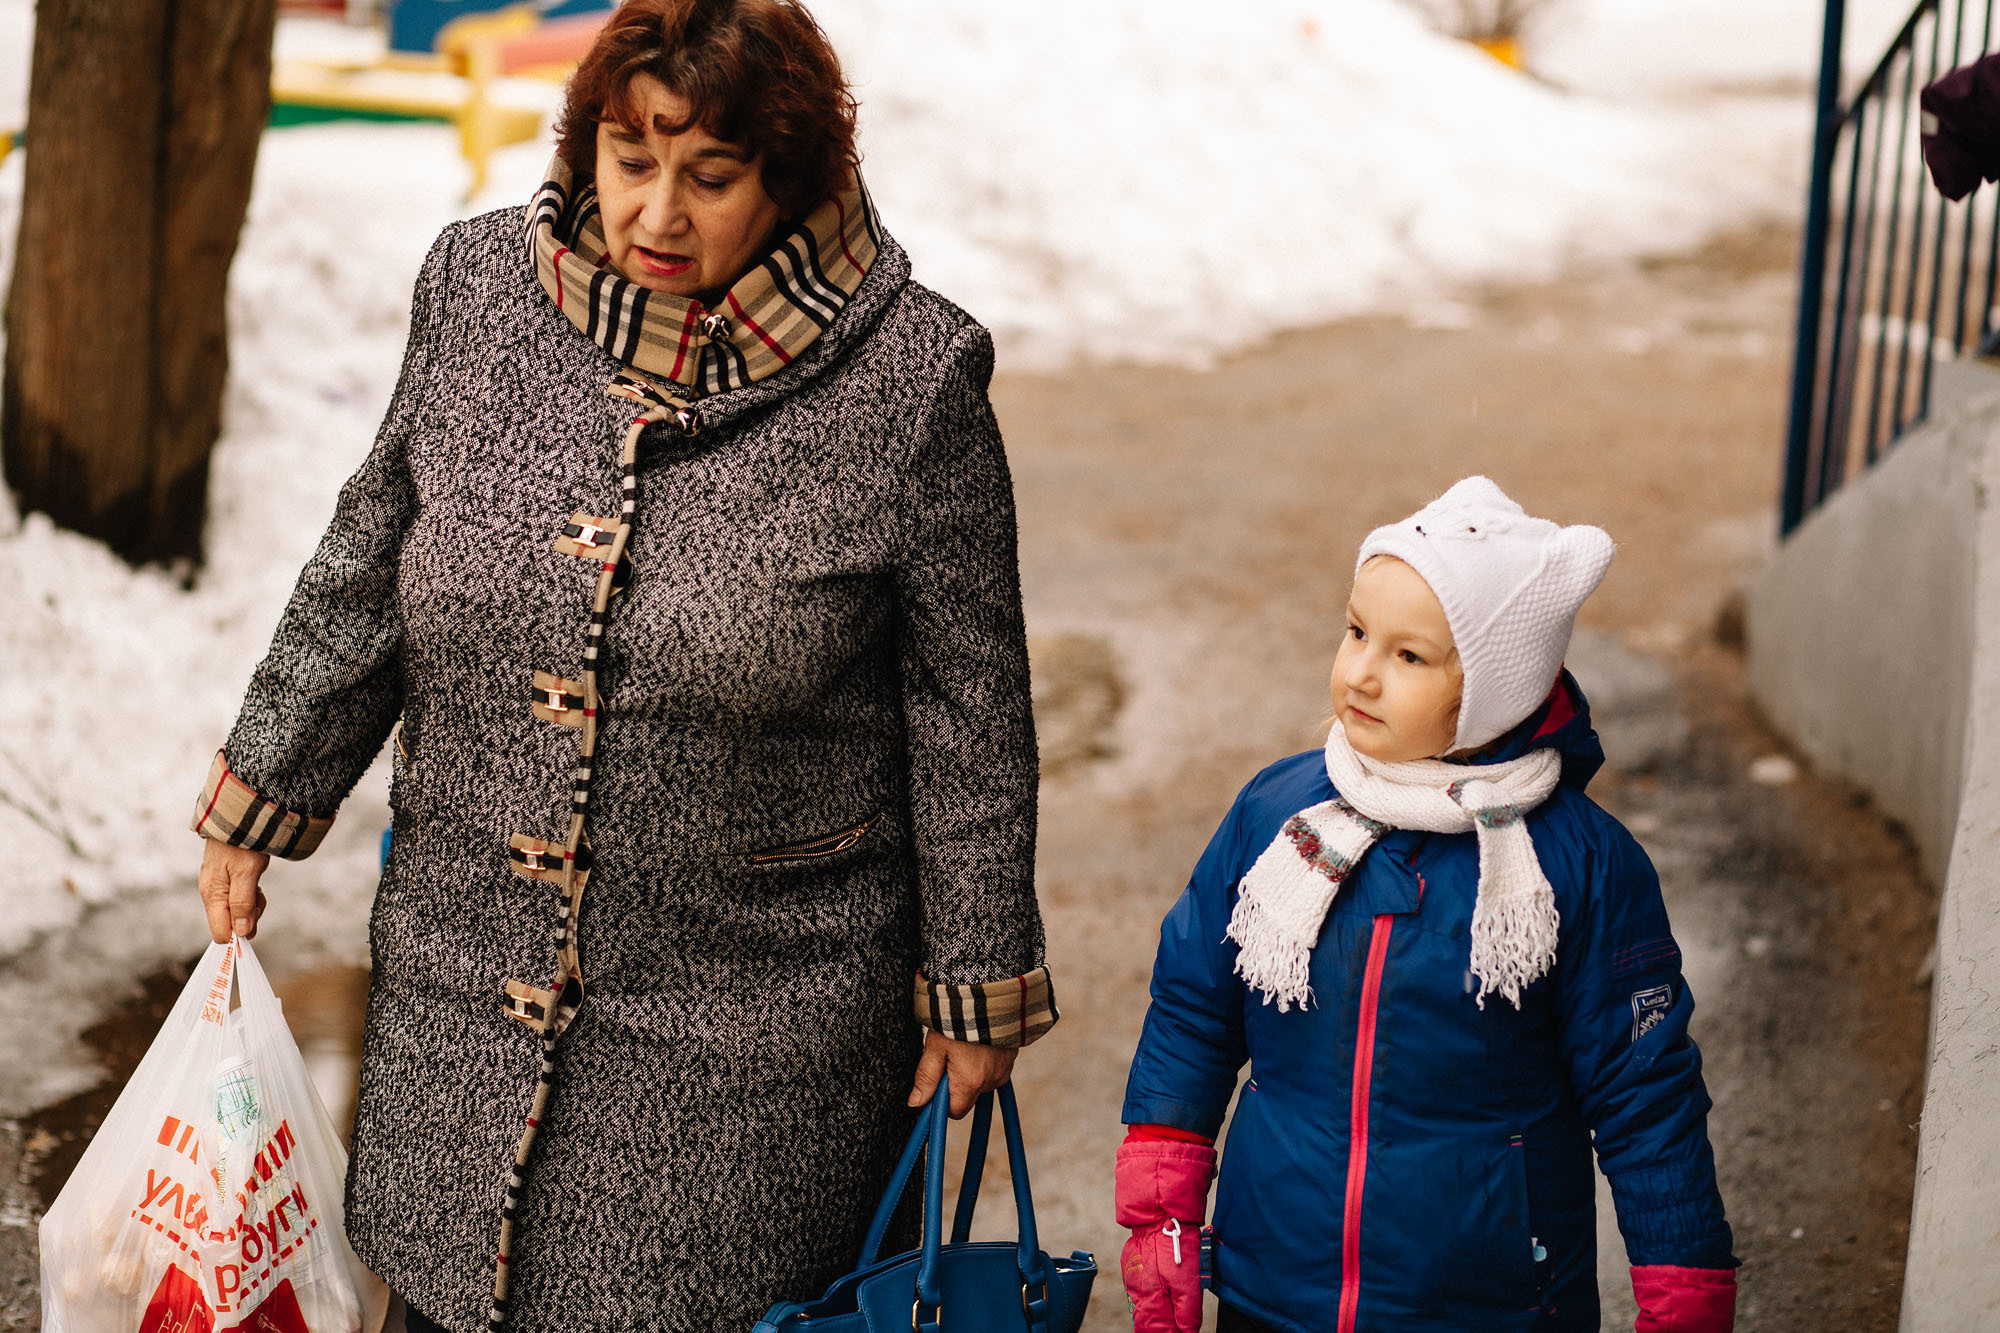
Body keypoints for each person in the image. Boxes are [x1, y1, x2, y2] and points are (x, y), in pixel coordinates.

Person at [189, 1, 1056, 1327]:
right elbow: (375, 544)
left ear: (792, 182)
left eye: (710, 177)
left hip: (755, 1047)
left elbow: (968, 706)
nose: (658, 214)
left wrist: (978, 975)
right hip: (466, 991)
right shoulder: (476, 293)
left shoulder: (913, 379)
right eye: (629, 161)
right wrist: (268, 780)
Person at [1115, 477, 1736, 1332]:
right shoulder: (1281, 813)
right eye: (1357, 631)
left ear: (1493, 687)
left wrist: (1683, 1288)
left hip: (1483, 1301)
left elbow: (1646, 1096)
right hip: (1275, 1287)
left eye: (1408, 656)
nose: (1362, 672)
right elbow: (1194, 1008)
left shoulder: (1577, 863)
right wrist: (1163, 1207)